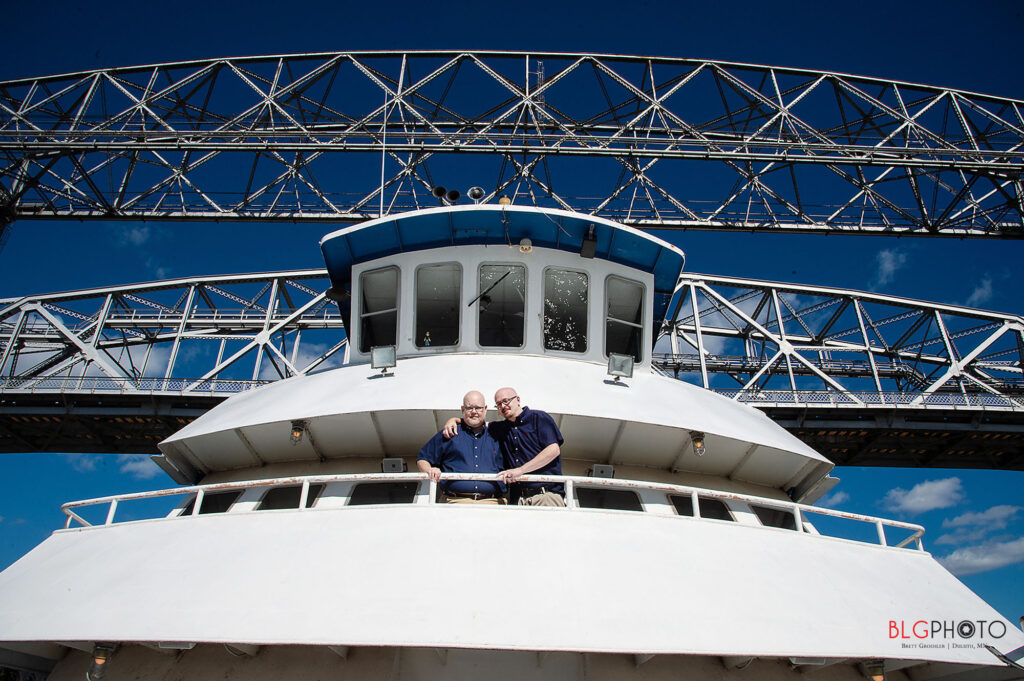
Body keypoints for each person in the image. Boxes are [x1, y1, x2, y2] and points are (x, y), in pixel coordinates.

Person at [418, 391, 506, 503]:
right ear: (463, 409)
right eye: (470, 408)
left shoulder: (498, 434)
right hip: (454, 501)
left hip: (493, 502)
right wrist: (430, 470)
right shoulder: (448, 433)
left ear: (485, 409)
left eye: (478, 408)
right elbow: (423, 459)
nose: (474, 412)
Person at [490, 387, 565, 506]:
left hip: (545, 496)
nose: (503, 406)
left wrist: (520, 470)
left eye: (506, 401)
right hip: (517, 499)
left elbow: (553, 450)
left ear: (518, 399)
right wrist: (454, 420)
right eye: (498, 404)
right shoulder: (501, 428)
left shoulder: (539, 418)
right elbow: (476, 424)